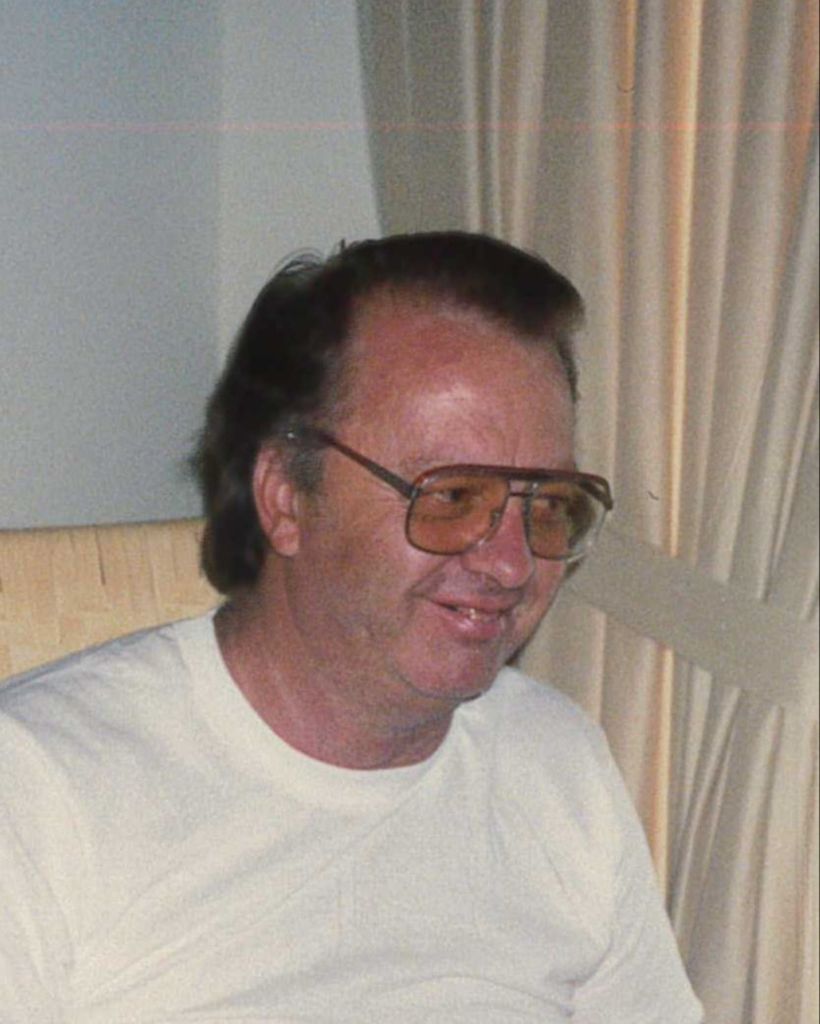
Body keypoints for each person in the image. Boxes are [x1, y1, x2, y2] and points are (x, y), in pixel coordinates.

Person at [0, 232, 703, 1022]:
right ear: (286, 499)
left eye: (546, 505)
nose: (511, 564)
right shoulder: (40, 789)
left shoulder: (552, 760)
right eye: (452, 497)